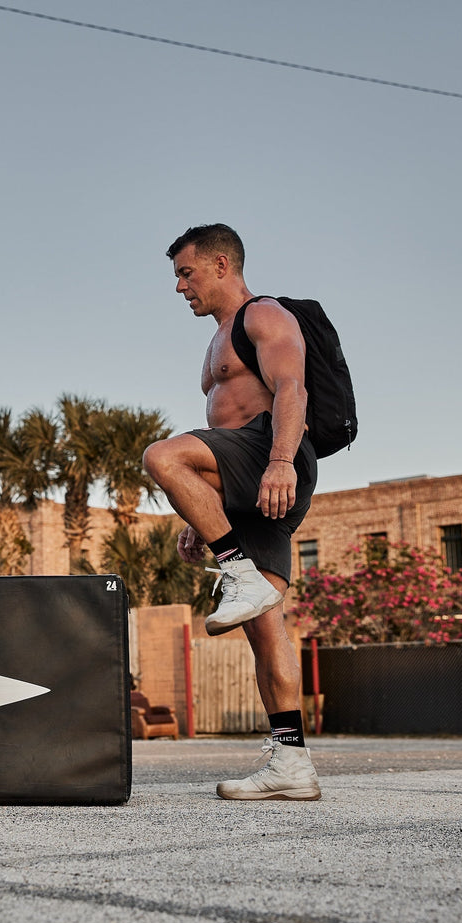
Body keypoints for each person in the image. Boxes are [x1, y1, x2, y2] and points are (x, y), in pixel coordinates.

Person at [141, 223, 321, 802]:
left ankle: (236, 571)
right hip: (242, 469)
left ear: (222, 265)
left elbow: (292, 388)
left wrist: (281, 463)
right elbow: (219, 436)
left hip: (270, 454)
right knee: (266, 627)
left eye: (185, 274)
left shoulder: (263, 316)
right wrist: (201, 519)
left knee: (162, 455)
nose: (179, 287)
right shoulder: (216, 340)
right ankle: (292, 762)